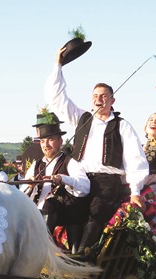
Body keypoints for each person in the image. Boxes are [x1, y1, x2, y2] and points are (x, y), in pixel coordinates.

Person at [45, 47, 149, 254]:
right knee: (71, 209)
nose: (98, 99)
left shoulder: (122, 125)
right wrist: (58, 64)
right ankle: (73, 253)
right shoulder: (82, 118)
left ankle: (84, 254)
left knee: (96, 211)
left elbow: (135, 159)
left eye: (103, 96)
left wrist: (136, 190)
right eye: (95, 96)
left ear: (112, 100)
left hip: (107, 182)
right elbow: (56, 98)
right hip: (80, 177)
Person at [21, 111, 90, 252]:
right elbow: (21, 192)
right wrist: (29, 185)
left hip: (63, 213)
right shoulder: (36, 165)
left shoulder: (70, 162)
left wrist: (63, 179)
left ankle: (40, 247)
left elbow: (85, 187)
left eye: (50, 140)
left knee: (50, 203)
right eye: (42, 141)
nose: (45, 145)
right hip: (36, 212)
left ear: (60, 141)